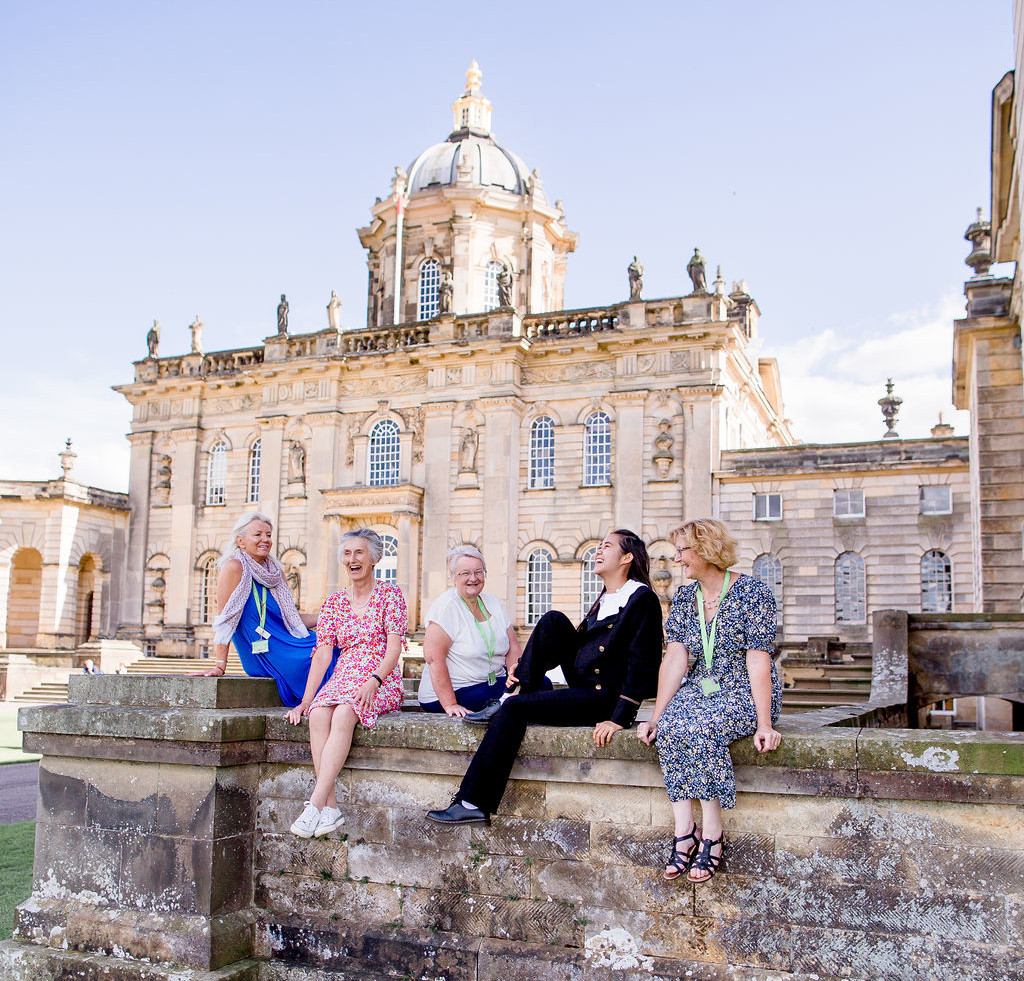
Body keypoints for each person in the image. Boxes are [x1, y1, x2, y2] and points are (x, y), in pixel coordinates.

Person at [427, 529, 663, 825]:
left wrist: (620, 716)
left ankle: (473, 802)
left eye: (606, 547)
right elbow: (580, 650)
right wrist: (524, 667)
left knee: (514, 711)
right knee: (552, 620)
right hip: (585, 684)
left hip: (604, 698)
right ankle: (511, 693)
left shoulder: (642, 599)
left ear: (627, 557)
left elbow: (645, 662)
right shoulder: (607, 598)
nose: (598, 552)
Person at [637, 518, 782, 885]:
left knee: (700, 727)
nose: (678, 560)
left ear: (706, 550)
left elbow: (758, 660)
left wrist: (764, 723)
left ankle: (713, 832)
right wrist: (656, 716)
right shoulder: (686, 597)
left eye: (682, 551)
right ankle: (684, 829)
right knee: (671, 726)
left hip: (743, 690)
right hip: (700, 688)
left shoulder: (753, 593)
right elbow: (675, 658)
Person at [286, 529, 407, 838]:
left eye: (359, 553)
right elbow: (323, 654)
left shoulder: (390, 595)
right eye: (348, 553)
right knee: (317, 713)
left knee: (344, 713)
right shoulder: (334, 602)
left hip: (381, 678)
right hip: (343, 677)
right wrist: (304, 700)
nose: (353, 559)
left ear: (375, 558)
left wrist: (374, 681)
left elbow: (394, 648)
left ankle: (314, 804)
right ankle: (332, 807)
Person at [192, 511, 329, 707]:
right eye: (257, 535)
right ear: (240, 540)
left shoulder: (275, 571)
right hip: (262, 651)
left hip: (287, 642)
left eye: (268, 535)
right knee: (323, 654)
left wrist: (331, 614)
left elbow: (292, 619)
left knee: (334, 643)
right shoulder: (234, 567)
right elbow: (225, 619)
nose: (265, 539)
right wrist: (219, 666)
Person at [418, 546, 524, 716]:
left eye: (478, 572)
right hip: (453, 692)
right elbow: (433, 659)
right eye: (465, 573)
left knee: (541, 683)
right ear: (453, 577)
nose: (473, 578)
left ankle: (512, 698)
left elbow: (512, 647)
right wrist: (450, 704)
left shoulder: (494, 603)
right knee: (527, 696)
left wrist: (515, 674)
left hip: (491, 683)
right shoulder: (446, 607)